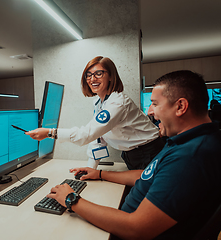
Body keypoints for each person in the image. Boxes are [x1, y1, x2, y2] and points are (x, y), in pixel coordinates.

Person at [46, 70, 221, 239]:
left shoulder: (189, 157)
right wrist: (99, 174)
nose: (150, 112)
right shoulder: (185, 141)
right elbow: (146, 175)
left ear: (180, 106)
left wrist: (72, 199)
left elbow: (136, 229)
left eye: (155, 103)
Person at [26, 56, 164, 170]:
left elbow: (85, 135)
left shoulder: (117, 103)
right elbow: (98, 139)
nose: (92, 79)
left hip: (149, 151)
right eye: (89, 75)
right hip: (133, 154)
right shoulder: (99, 102)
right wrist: (91, 169)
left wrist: (49, 132)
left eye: (99, 73)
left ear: (110, 76)